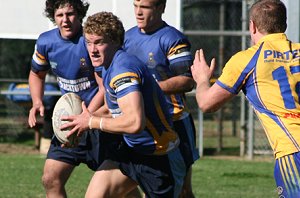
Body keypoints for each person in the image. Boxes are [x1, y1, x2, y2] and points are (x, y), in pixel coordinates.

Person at [61, 11, 186, 198]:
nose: (92, 49)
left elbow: (134, 123)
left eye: (99, 42)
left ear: (117, 42)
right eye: (88, 42)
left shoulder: (123, 71)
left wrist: (92, 122)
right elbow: (117, 110)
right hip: (130, 151)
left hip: (160, 157)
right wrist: (83, 120)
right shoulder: (108, 66)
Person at [191, 0, 300, 197]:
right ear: (284, 25)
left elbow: (206, 104)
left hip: (293, 150)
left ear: (252, 26)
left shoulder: (247, 59)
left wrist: (201, 79)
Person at [27, 0, 105, 197]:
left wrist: (87, 116)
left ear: (79, 13)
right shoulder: (46, 42)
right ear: (53, 16)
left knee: (117, 187)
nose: (65, 20)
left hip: (99, 122)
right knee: (51, 179)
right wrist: (37, 101)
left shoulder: (90, 41)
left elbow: (105, 87)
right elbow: (37, 74)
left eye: (70, 14)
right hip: (69, 122)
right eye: (60, 15)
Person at [123, 0, 199, 197]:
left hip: (173, 123)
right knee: (125, 186)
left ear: (161, 8)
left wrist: (148, 90)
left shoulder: (172, 38)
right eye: (136, 5)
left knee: (182, 191)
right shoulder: (126, 38)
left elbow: (187, 80)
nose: (139, 12)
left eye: (145, 7)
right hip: (140, 124)